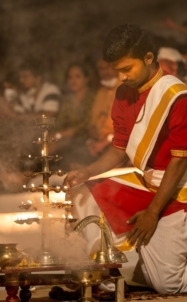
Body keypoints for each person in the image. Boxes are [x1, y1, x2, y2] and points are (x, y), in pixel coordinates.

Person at [63, 23, 187, 294]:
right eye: (117, 70)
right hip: (145, 184)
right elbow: (120, 147)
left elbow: (180, 161)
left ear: (148, 58)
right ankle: (105, 269)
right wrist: (88, 171)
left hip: (177, 192)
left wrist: (153, 213)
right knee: (81, 191)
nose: (122, 77)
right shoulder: (123, 93)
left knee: (169, 285)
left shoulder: (175, 95)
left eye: (126, 69)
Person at [53, 62, 96, 170]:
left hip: (86, 139)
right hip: (67, 138)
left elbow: (86, 123)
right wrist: (54, 136)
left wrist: (61, 135)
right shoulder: (67, 100)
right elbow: (60, 122)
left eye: (77, 76)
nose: (73, 81)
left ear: (86, 79)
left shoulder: (93, 97)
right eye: (70, 77)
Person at [86, 58, 120, 158]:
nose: (105, 72)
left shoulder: (127, 89)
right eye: (101, 69)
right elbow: (92, 124)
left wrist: (106, 141)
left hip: (118, 144)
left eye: (109, 67)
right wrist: (90, 141)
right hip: (99, 144)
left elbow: (129, 128)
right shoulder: (101, 92)